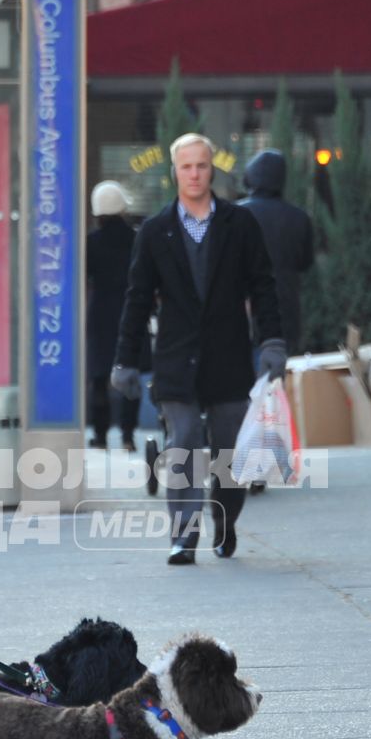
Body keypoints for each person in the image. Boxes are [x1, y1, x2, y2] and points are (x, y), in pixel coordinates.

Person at [110, 133, 283, 565]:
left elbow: (263, 285)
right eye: (186, 166)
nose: (194, 174)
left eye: (201, 166)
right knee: (184, 439)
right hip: (176, 358)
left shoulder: (239, 225)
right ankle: (183, 535)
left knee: (228, 450)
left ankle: (224, 521)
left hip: (227, 355)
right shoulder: (154, 231)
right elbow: (137, 297)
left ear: (212, 170)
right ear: (175, 172)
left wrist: (273, 342)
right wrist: (126, 360)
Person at [237, 149, 315, 354]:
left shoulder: (236, 215)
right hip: (287, 309)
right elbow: (305, 263)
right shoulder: (300, 218)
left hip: (245, 311)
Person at [85, 180, 141, 452]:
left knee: (99, 377)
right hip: (131, 310)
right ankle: (128, 435)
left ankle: (100, 435)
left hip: (100, 313)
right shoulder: (136, 239)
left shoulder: (91, 242)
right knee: (130, 375)